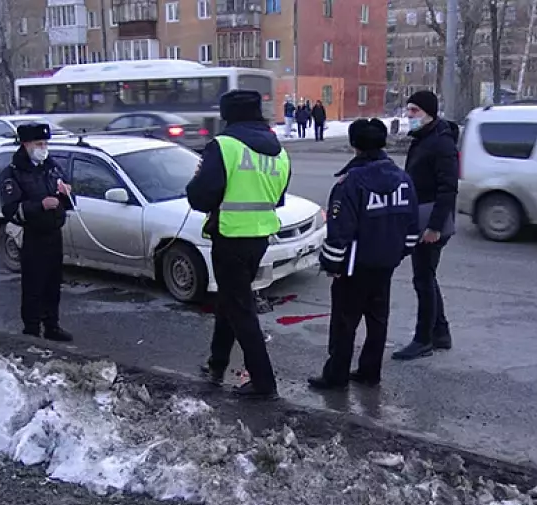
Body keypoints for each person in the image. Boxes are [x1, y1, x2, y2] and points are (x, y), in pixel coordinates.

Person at [187, 89, 291, 399]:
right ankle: (217, 364)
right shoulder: (279, 151)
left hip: (230, 237)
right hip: (259, 237)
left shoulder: (224, 146)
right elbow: (279, 197)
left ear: (228, 115)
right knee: (230, 302)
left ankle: (263, 383)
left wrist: (197, 180)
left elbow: (201, 197)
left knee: (241, 310)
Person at [308, 119, 420, 390]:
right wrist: (397, 253)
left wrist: (332, 264)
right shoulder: (403, 179)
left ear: (354, 145)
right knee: (378, 319)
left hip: (353, 267)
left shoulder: (350, 183)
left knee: (345, 323)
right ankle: (370, 372)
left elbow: (340, 231)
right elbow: (412, 226)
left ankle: (336, 376)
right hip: (385, 264)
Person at [392, 90, 459, 360]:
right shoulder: (424, 138)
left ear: (429, 113)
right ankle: (440, 333)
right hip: (423, 216)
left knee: (423, 279)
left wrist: (434, 227)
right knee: (427, 276)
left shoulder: (440, 143)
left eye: (414, 111)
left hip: (431, 221)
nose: (409, 116)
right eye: (409, 111)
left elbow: (448, 188)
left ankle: (423, 340)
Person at [0, 123, 74, 342]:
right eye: (39, 143)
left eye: (45, 143)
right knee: (33, 286)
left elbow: (68, 202)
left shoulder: (51, 167)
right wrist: (40, 204)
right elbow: (11, 210)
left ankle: (52, 326)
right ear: (26, 144)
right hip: (32, 236)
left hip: (54, 234)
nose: (44, 147)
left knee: (53, 283)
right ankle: (31, 331)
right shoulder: (12, 173)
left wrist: (65, 194)